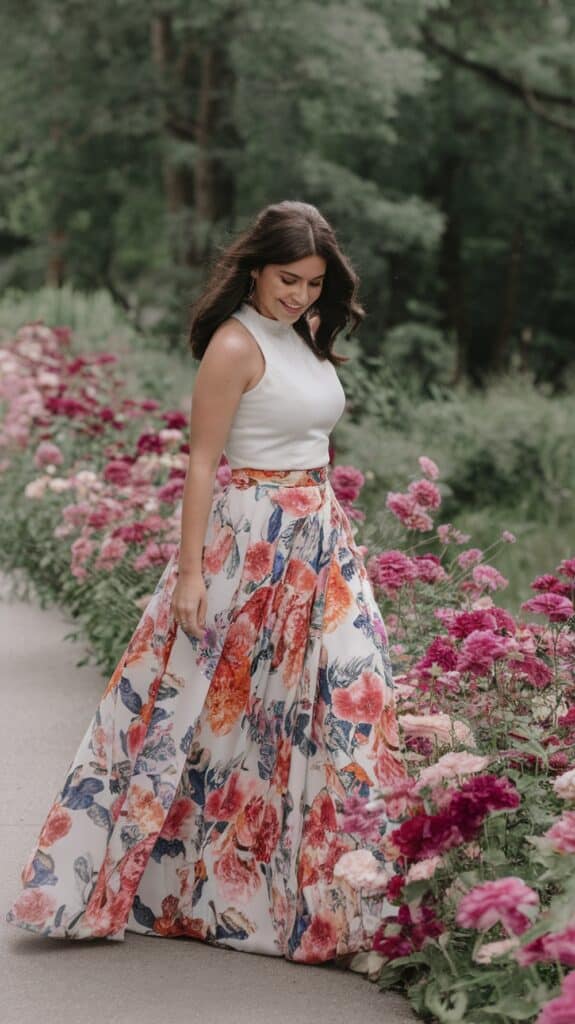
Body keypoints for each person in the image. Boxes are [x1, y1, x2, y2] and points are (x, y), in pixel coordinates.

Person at [5, 199, 406, 963]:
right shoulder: (231, 344)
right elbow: (201, 463)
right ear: (254, 267)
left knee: (338, 704)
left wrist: (321, 526)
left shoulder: (308, 333)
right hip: (247, 538)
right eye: (288, 279)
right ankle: (181, 882)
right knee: (207, 713)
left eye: (313, 283)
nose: (299, 295)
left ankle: (340, 898)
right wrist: (188, 575)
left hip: (319, 537)